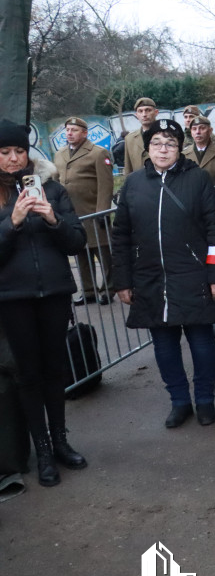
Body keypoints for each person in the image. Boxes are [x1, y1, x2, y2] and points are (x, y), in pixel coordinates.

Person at [111, 119, 215, 429]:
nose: (163, 149)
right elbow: (121, 234)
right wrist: (122, 281)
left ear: (180, 148)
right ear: (147, 149)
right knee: (164, 346)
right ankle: (179, 401)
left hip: (193, 273)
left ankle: (204, 399)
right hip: (150, 278)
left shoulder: (198, 178)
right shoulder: (134, 184)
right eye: (156, 144)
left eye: (170, 144)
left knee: (202, 343)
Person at [0, 119, 88, 486]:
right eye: (4, 152)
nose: (13, 158)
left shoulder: (51, 188)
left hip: (53, 292)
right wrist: (12, 222)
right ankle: (43, 453)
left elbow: (76, 241)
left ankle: (61, 442)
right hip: (12, 299)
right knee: (28, 375)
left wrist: (52, 218)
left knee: (55, 371)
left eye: (19, 150)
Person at [53, 116, 114, 306]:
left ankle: (108, 289)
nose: (69, 134)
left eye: (74, 130)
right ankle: (88, 291)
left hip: (93, 212)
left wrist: (102, 212)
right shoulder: (60, 153)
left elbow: (106, 185)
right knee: (80, 253)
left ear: (85, 133)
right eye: (67, 130)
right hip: (71, 213)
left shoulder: (97, 153)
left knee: (103, 253)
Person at [183, 115, 215, 185]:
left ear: (210, 131)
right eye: (194, 129)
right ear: (191, 132)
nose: (198, 132)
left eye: (202, 128)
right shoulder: (184, 154)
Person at [123, 97, 159, 174]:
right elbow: (128, 169)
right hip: (139, 184)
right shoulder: (130, 139)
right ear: (136, 115)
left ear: (156, 112)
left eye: (148, 110)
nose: (144, 114)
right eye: (140, 111)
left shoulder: (168, 135)